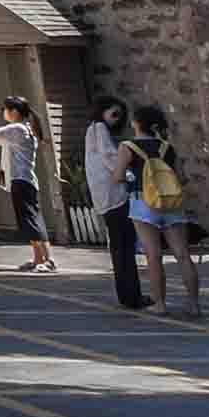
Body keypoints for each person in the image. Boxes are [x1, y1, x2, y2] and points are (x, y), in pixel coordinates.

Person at [123, 105, 203, 319]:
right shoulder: (167, 147)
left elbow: (116, 176)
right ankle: (194, 304)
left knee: (153, 256)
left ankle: (160, 304)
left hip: (143, 203)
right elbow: (182, 178)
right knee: (183, 255)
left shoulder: (128, 146)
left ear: (137, 123)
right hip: (171, 203)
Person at [0, 96, 55, 270]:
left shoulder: (17, 129)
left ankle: (45, 260)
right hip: (25, 180)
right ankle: (41, 259)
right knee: (33, 219)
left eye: (5, 109)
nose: (3, 112)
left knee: (30, 221)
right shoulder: (24, 129)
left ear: (15, 112)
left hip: (21, 180)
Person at [83, 98, 150, 309]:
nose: (115, 119)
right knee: (125, 247)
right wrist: (130, 174)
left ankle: (127, 295)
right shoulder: (100, 129)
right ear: (102, 111)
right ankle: (132, 296)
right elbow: (111, 158)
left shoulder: (91, 129)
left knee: (118, 248)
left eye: (118, 116)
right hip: (115, 195)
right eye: (113, 113)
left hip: (104, 196)